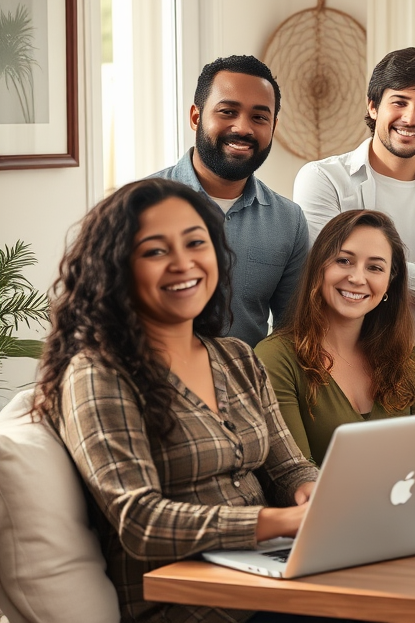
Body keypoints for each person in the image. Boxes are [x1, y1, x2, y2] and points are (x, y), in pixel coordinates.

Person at [33, 178, 340, 623]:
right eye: (156, 251)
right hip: (185, 601)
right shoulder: (99, 373)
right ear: (117, 266)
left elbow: (287, 465)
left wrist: (311, 494)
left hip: (266, 572)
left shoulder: (235, 356)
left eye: (196, 243)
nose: (183, 263)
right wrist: (278, 524)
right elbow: (140, 520)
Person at [293, 48, 415, 352]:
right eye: (399, 102)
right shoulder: (323, 180)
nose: (410, 117)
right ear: (374, 106)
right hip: (341, 366)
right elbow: (329, 275)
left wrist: (373, 276)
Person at [256, 210, 415, 466]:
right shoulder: (275, 359)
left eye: (375, 267)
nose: (357, 278)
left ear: (390, 282)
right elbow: (293, 474)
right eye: (344, 261)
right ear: (320, 266)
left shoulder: (409, 359)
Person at [154, 55, 309, 348]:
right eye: (227, 112)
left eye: (259, 117)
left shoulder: (289, 222)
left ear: (273, 126)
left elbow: (292, 334)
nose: (243, 128)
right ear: (196, 117)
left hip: (248, 387)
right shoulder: (140, 204)